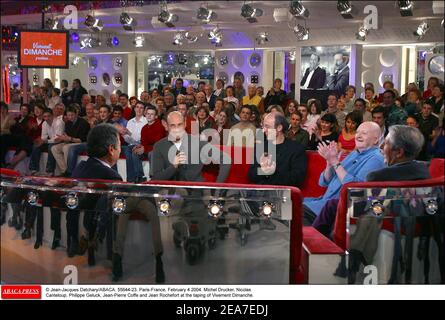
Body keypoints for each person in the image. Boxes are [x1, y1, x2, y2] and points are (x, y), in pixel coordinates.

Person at [71, 124, 165, 283]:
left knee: (146, 211)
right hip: (122, 201)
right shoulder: (111, 175)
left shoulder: (80, 167)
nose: (121, 150)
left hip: (130, 198)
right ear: (111, 149)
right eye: (120, 146)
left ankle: (155, 261)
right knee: (122, 212)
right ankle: (119, 259)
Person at [303, 121, 385, 224]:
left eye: (364, 133)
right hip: (320, 203)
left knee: (290, 213)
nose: (358, 136)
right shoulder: (355, 153)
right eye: (357, 132)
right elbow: (324, 182)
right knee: (287, 204)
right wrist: (329, 163)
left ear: (375, 140)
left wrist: (335, 161)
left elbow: (354, 188)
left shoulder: (376, 159)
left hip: (335, 211)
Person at [249, 112, 307, 187]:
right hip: (260, 193)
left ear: (279, 128)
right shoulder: (261, 147)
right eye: (263, 126)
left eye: (267, 127)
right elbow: (251, 175)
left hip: (284, 193)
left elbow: (297, 178)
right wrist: (263, 171)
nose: (264, 130)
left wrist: (272, 173)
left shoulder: (296, 149)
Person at [50, 104, 90, 176]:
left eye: (72, 115)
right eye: (68, 115)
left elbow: (82, 140)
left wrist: (69, 139)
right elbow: (67, 137)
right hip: (70, 142)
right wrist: (62, 138)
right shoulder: (68, 123)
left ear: (76, 114)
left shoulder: (83, 123)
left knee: (66, 147)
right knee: (54, 148)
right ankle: (65, 170)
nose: (70, 117)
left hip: (81, 143)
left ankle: (69, 171)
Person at [29, 108, 64, 175]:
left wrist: (45, 141)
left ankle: (50, 171)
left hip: (61, 141)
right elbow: (43, 137)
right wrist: (40, 141)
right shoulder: (44, 123)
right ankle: (34, 169)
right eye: (45, 116)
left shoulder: (59, 123)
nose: (47, 118)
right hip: (50, 141)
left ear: (52, 116)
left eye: (48, 116)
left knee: (51, 147)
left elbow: (57, 139)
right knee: (36, 146)